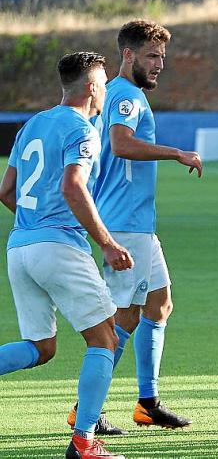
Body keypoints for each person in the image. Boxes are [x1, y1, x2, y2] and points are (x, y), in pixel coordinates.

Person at [67, 20, 201, 432]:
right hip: (125, 223)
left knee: (159, 304)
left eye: (162, 56)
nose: (160, 64)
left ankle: (148, 402)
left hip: (136, 221)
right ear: (128, 55)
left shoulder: (120, 93)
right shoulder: (126, 95)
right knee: (123, 317)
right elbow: (121, 143)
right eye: (152, 56)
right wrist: (176, 153)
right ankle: (85, 410)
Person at [0, 52, 132, 459]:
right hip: (57, 247)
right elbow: (73, 186)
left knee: (41, 348)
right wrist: (106, 243)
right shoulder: (82, 129)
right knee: (105, 339)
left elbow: (6, 191)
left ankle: (84, 439)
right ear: (92, 87)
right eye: (104, 84)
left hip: (20, 246)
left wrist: (36, 227)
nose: (106, 91)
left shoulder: (32, 125)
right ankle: (84, 441)